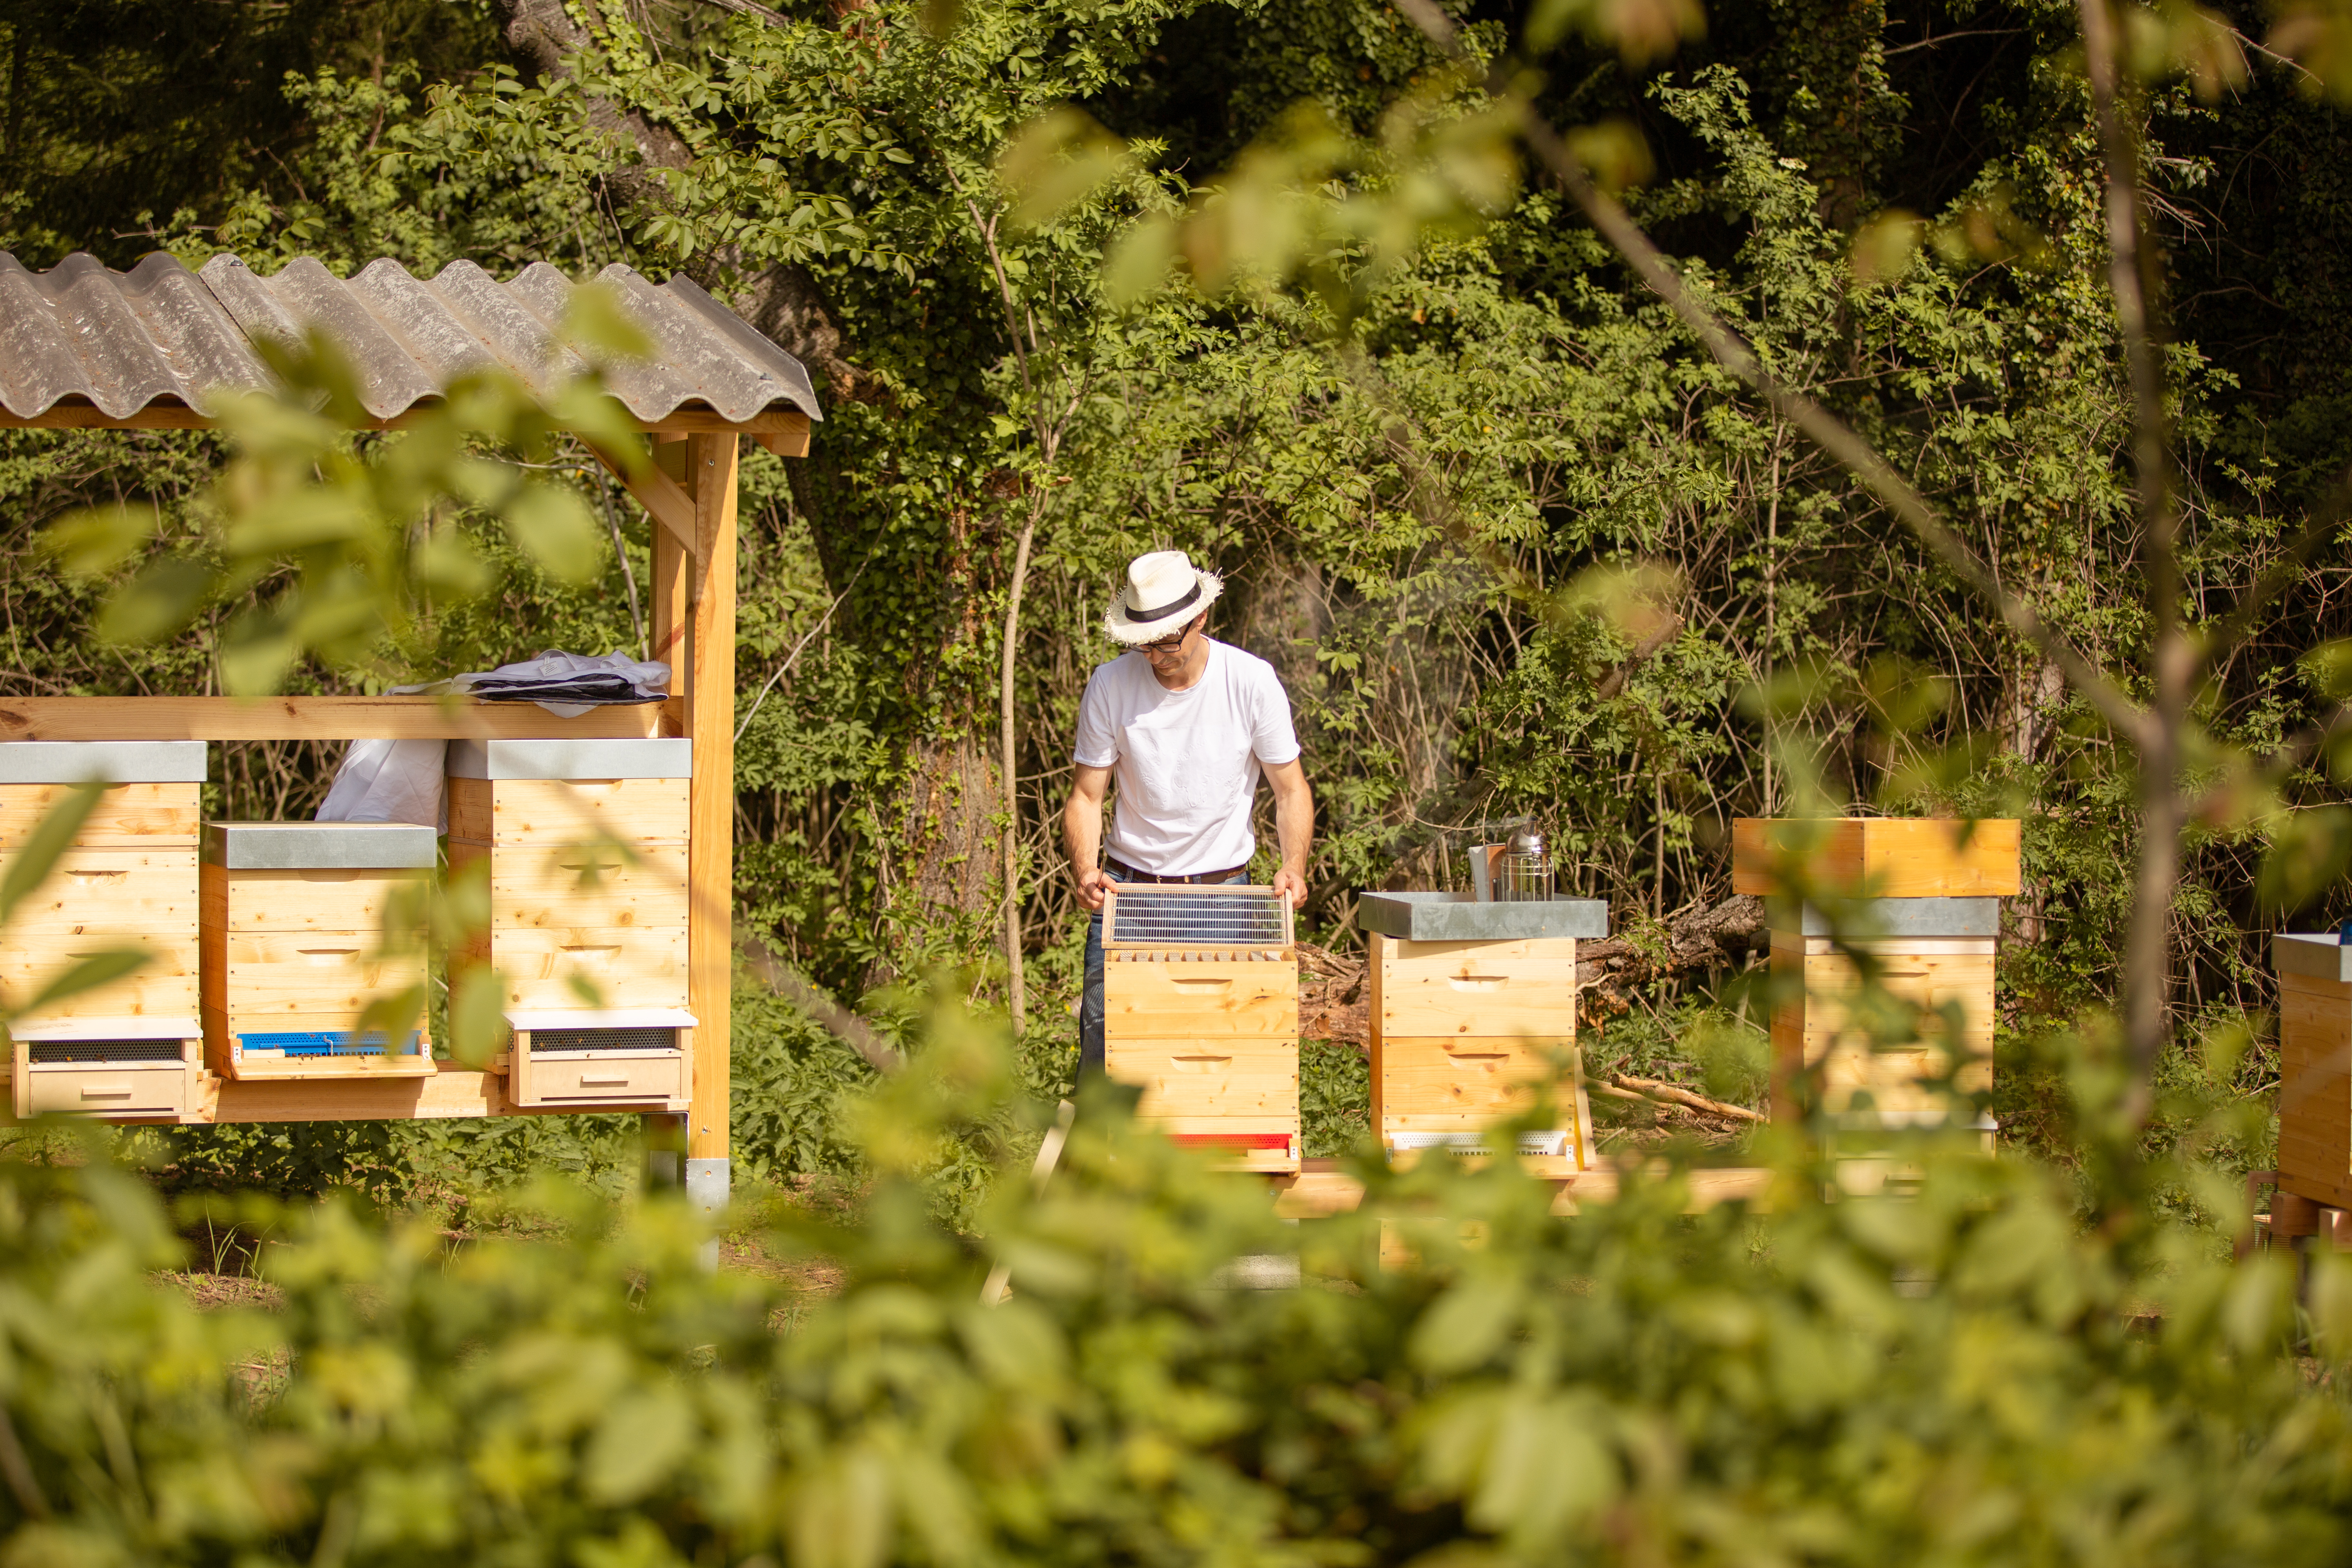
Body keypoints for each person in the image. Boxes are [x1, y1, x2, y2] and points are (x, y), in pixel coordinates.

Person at [1064, 549, 1314, 1076]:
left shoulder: (1250, 681)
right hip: (1127, 894)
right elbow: (1086, 797)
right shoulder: (1109, 685)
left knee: (1210, 1051)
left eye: (1167, 642)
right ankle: (1104, 1158)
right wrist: (1086, 871)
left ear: (1200, 618)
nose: (1156, 657)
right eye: (1144, 645)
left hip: (1221, 895)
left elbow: (1290, 790)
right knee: (1105, 1037)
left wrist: (1294, 865)